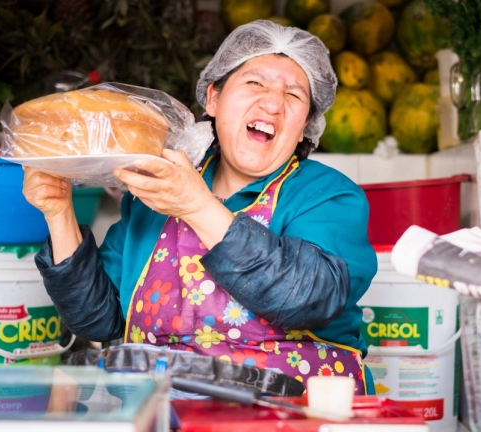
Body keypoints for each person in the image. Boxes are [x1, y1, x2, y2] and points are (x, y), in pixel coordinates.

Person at [23, 20, 378, 394]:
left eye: (294, 95)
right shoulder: (154, 196)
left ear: (305, 125)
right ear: (213, 98)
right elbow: (99, 320)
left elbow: (308, 298)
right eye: (254, 83)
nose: (273, 103)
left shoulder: (325, 195)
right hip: (160, 413)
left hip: (287, 415)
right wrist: (59, 211)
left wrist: (195, 205)